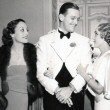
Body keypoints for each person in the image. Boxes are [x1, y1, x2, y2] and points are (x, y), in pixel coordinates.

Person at [37, 2, 92, 110]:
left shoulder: (84, 41)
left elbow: (88, 70)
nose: (76, 22)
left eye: (77, 19)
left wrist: (70, 89)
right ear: (61, 17)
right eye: (72, 18)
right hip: (52, 93)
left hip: (75, 93)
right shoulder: (45, 40)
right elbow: (40, 72)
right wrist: (58, 91)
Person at [0, 19, 39, 110]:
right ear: (12, 34)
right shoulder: (2, 52)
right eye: (22, 30)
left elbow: (41, 69)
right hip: (6, 97)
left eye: (27, 30)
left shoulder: (32, 51)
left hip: (25, 96)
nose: (27, 33)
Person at [77, 23, 110, 110]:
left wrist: (83, 74)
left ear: (104, 36)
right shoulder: (100, 56)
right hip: (98, 103)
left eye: (96, 33)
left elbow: (99, 89)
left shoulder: (107, 58)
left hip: (105, 105)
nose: (93, 37)